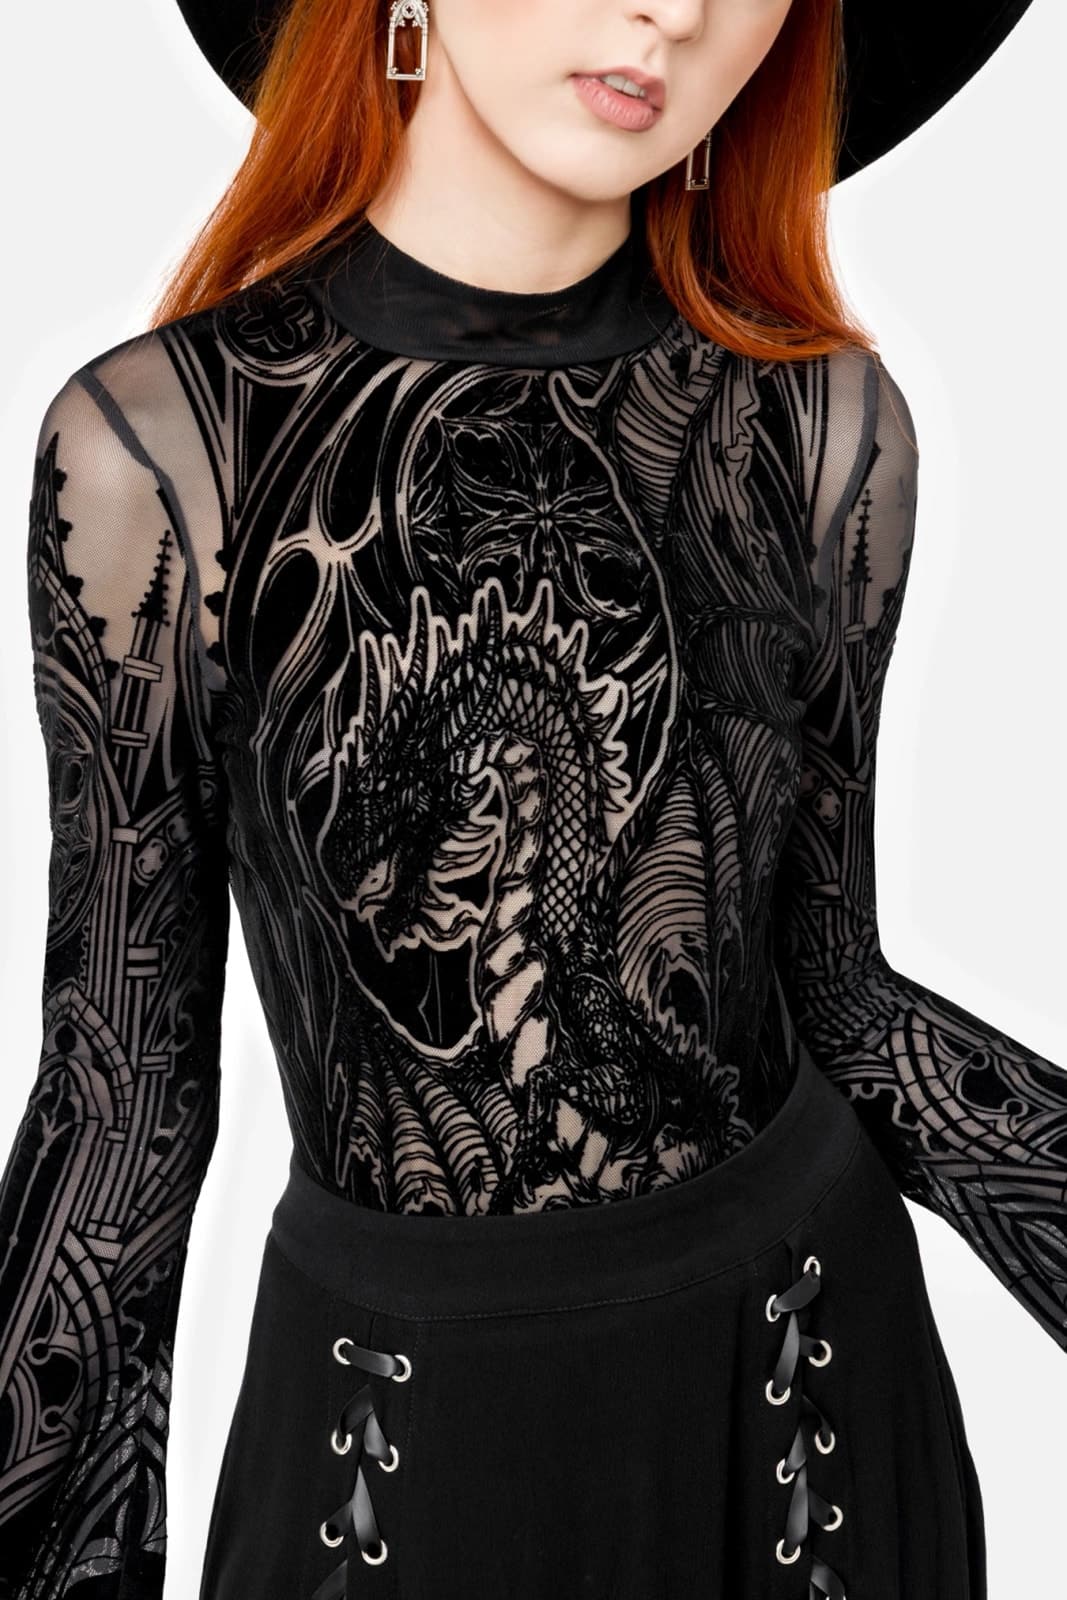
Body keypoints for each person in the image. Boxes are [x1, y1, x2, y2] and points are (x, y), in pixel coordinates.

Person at [0, 0, 1059, 1596]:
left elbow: (838, 998)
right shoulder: (165, 458)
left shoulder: (821, 429)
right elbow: (122, 1105)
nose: (677, 13)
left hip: (806, 1415)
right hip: (395, 1449)